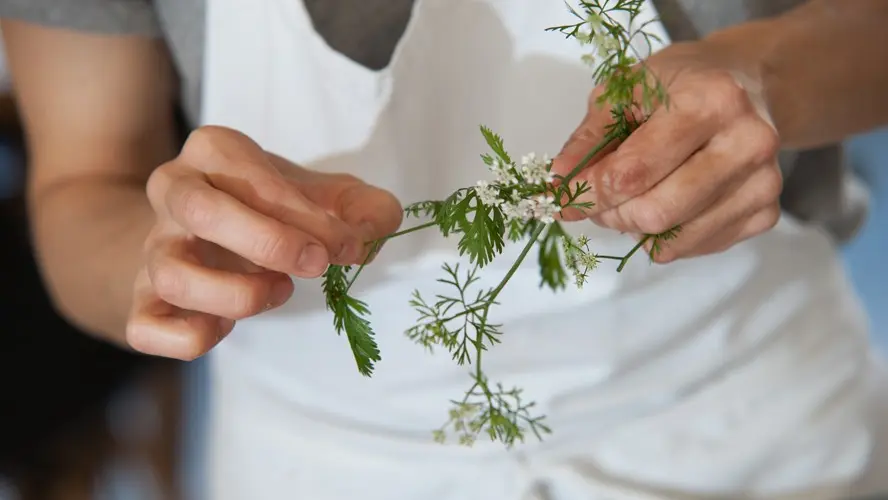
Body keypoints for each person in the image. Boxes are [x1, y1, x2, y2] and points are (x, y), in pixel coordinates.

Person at [2, 0, 888, 498]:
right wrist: (160, 258)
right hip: (325, 467)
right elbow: (83, 185)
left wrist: (765, 78)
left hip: (758, 436)